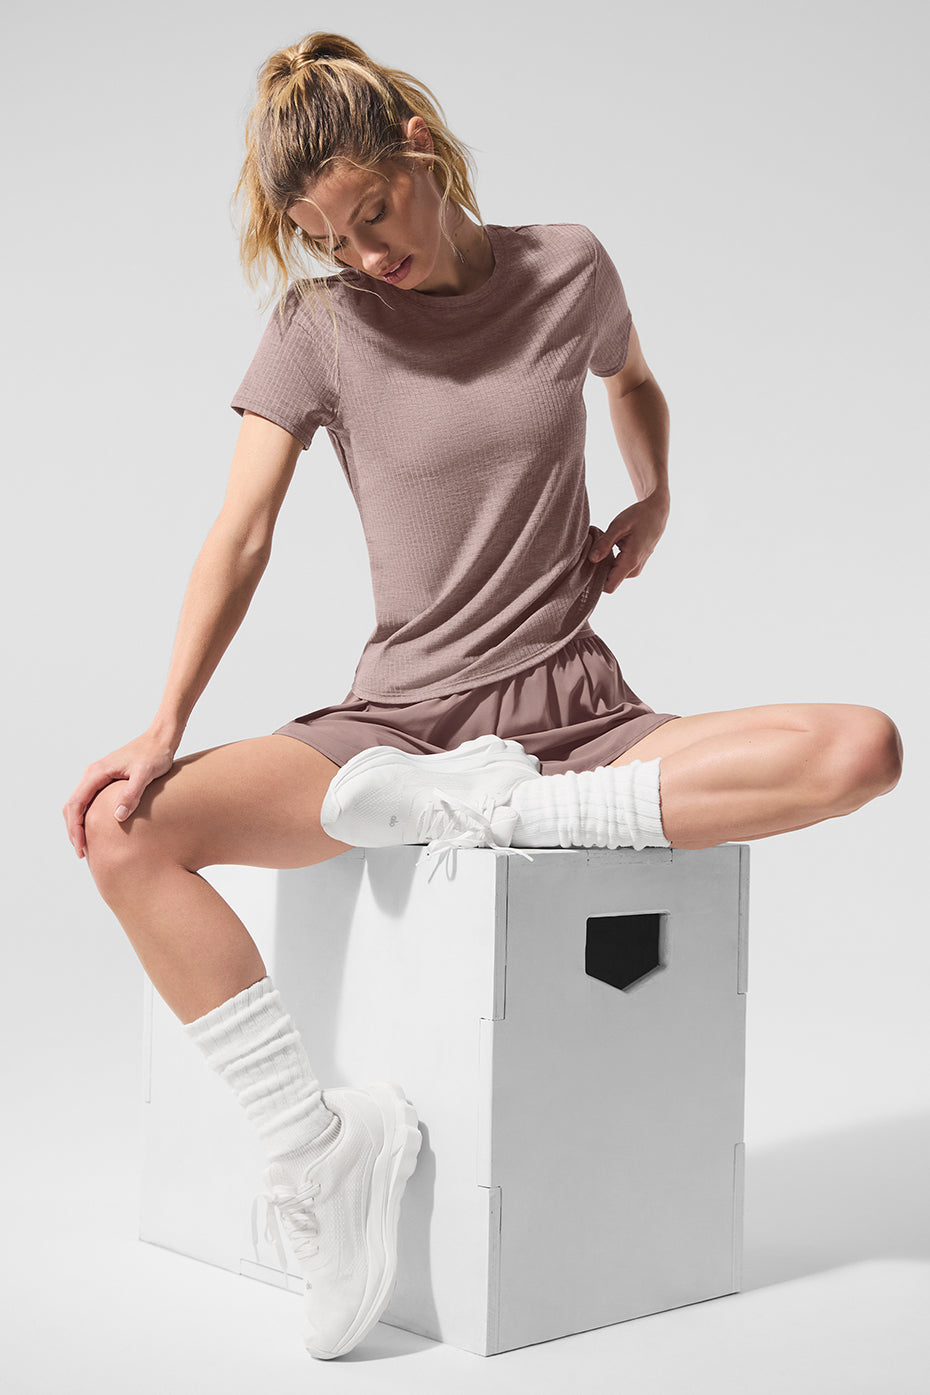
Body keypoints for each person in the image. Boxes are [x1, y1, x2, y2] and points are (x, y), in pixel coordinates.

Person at [62, 30, 903, 1362]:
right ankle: (317, 1152)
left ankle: (506, 814)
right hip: (400, 730)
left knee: (862, 750)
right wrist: (163, 723)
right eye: (329, 239)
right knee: (124, 833)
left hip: (581, 719)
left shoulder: (567, 264)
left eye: (374, 217)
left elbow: (633, 380)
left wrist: (653, 498)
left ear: (419, 149)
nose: (364, 256)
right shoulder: (319, 327)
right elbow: (242, 531)